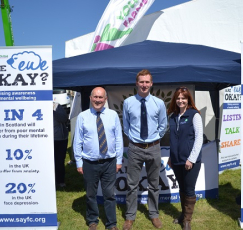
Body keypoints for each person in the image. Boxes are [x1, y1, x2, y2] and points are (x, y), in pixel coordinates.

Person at [122, 69, 167, 230]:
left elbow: (163, 125)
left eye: (147, 82)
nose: (144, 85)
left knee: (154, 184)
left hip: (154, 147)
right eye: (141, 81)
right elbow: (126, 126)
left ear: (151, 83)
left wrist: (154, 139)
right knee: (132, 184)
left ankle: (154, 214)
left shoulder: (159, 103)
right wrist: (136, 140)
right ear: (136, 83)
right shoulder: (128, 103)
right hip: (135, 148)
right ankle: (130, 217)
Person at [73, 87, 123, 230]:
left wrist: (119, 160)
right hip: (89, 162)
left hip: (109, 162)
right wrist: (78, 161)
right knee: (90, 194)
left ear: (105, 99)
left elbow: (118, 138)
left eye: (101, 97)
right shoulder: (83, 116)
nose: (98, 100)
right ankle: (92, 220)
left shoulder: (113, 115)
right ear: (90, 98)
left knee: (109, 194)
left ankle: (111, 224)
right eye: (95, 97)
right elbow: (78, 141)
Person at [167, 87, 203, 230]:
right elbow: (173, 139)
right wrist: (171, 157)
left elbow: (199, 138)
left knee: (189, 189)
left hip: (190, 161)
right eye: (178, 98)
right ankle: (183, 214)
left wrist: (191, 159)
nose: (180, 100)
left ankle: (187, 221)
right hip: (176, 160)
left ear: (188, 99)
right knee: (181, 188)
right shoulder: (173, 117)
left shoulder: (194, 115)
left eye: (183, 98)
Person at [53, 102, 69, 188]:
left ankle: (60, 181)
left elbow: (64, 119)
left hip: (60, 139)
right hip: (46, 139)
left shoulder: (56, 106)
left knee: (59, 160)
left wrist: (52, 111)